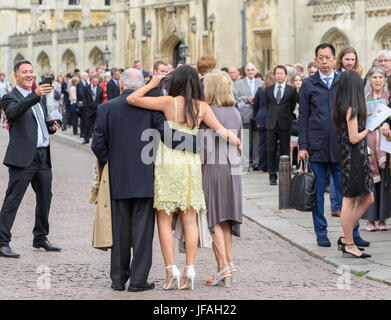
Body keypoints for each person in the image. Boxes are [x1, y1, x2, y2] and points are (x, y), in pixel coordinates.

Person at [126, 65, 241, 291]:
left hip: (168, 162)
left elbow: (132, 99)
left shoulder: (169, 102)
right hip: (190, 163)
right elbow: (222, 131)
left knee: (165, 219)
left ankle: (171, 271)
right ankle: (190, 267)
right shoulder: (202, 107)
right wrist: (236, 142)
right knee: (190, 218)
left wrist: (152, 84)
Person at [91, 68, 199, 292]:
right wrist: (198, 145)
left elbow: (97, 145)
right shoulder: (151, 107)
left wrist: (113, 164)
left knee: (119, 231)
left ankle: (118, 279)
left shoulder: (105, 108)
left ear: (121, 84)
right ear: (141, 83)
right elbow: (167, 137)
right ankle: (138, 280)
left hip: (118, 178)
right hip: (145, 177)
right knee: (142, 232)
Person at [299, 43, 369, 248]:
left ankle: (352, 233)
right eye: (320, 58)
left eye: (328, 57)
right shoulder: (308, 84)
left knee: (348, 194)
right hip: (317, 146)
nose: (324, 61)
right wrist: (303, 146)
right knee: (317, 194)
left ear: (334, 59)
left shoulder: (343, 81)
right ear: (316, 59)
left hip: (342, 146)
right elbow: (303, 117)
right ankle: (321, 232)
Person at [0, 60, 61, 258]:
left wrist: (50, 127)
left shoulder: (38, 99)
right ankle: (2, 242)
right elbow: (13, 113)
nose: (29, 75)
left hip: (43, 157)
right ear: (15, 76)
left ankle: (40, 237)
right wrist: (34, 95)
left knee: (46, 197)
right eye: (24, 72)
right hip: (22, 158)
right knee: (13, 199)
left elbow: (37, 125)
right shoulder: (10, 97)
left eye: (31, 71)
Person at [200, 70, 243, 288]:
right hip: (233, 168)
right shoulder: (234, 111)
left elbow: (203, 147)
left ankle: (223, 266)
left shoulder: (208, 111)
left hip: (213, 167)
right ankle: (228, 264)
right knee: (225, 218)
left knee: (214, 217)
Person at [333, 70, 374, 259]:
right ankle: (349, 243)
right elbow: (354, 137)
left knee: (368, 199)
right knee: (349, 202)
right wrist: (370, 128)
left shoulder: (345, 107)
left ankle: (346, 235)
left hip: (355, 158)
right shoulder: (351, 108)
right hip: (353, 159)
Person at [362, 66, 390, 231]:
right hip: (369, 142)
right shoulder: (365, 99)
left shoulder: (389, 99)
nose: (378, 80)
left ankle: (382, 219)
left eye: (381, 77)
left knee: (385, 182)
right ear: (370, 80)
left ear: (385, 80)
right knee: (370, 182)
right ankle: (370, 219)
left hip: (386, 145)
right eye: (374, 77)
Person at [264, 65, 298, 185]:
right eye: (277, 73)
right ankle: (272, 176)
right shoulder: (268, 89)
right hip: (271, 124)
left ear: (285, 75)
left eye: (281, 73)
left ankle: (285, 175)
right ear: (274, 75)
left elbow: (292, 106)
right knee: (271, 150)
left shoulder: (291, 90)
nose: (279, 76)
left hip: (285, 124)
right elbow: (268, 105)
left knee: (284, 151)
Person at [233, 63, 264, 172]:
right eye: (248, 70)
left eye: (252, 70)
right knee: (245, 140)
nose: (250, 72)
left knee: (257, 139)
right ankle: (245, 164)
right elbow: (235, 98)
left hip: (257, 115)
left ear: (255, 71)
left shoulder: (261, 83)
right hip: (244, 114)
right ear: (244, 72)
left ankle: (256, 162)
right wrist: (247, 99)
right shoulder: (238, 84)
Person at [253, 72, 275, 172]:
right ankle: (273, 166)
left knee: (262, 143)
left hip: (261, 117)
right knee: (272, 144)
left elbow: (255, 105)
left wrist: (255, 116)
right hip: (272, 118)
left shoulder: (260, 90)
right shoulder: (275, 91)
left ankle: (262, 166)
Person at [82, 75, 103, 144]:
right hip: (88, 109)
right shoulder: (86, 88)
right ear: (91, 81)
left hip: (96, 109)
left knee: (96, 126)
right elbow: (84, 98)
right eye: (94, 81)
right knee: (87, 125)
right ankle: (86, 139)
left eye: (96, 82)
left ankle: (95, 140)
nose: (95, 83)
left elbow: (101, 99)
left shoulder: (100, 89)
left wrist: (99, 107)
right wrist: (86, 107)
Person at [289, 73, 303, 167]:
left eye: (299, 80)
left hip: (301, 122)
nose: (298, 82)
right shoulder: (290, 93)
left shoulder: (304, 93)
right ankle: (289, 167)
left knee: (300, 147)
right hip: (292, 122)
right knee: (290, 147)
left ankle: (300, 166)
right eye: (296, 80)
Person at [76, 72, 89, 138]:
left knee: (85, 119)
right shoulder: (79, 84)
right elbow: (81, 94)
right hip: (81, 104)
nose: (87, 77)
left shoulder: (86, 83)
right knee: (82, 119)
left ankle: (85, 132)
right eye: (86, 76)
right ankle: (82, 133)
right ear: (83, 76)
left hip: (85, 104)